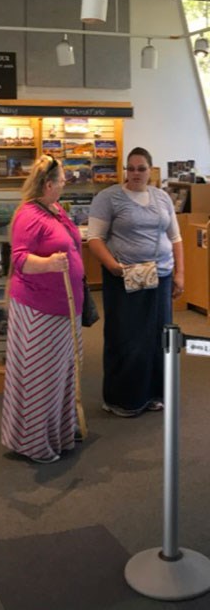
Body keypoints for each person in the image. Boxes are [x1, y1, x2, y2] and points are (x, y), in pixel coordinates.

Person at [1, 155, 85, 464]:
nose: (65, 183)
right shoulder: (28, 214)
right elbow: (20, 258)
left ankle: (59, 434)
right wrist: (49, 263)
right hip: (41, 310)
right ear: (48, 184)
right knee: (41, 378)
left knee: (61, 376)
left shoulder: (55, 209)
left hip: (65, 307)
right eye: (62, 180)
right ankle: (35, 442)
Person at [86, 146, 182, 417]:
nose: (136, 173)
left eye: (142, 168)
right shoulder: (109, 197)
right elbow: (94, 238)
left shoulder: (162, 197)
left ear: (150, 171)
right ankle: (124, 399)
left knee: (156, 337)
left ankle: (154, 394)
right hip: (125, 277)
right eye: (132, 168)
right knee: (127, 337)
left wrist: (180, 273)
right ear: (125, 170)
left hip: (160, 276)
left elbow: (176, 238)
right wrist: (113, 266)